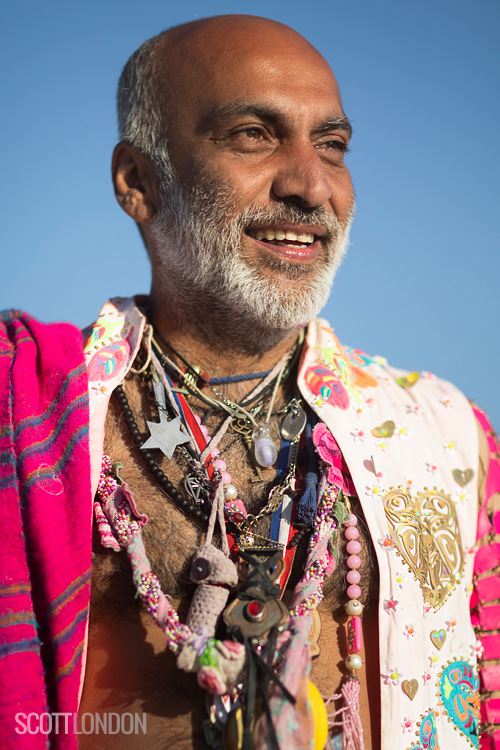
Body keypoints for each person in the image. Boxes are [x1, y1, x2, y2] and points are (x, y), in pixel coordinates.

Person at [1, 14, 499, 750]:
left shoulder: (447, 438)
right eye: (253, 136)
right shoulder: (35, 415)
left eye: (332, 145)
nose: (310, 184)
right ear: (138, 182)